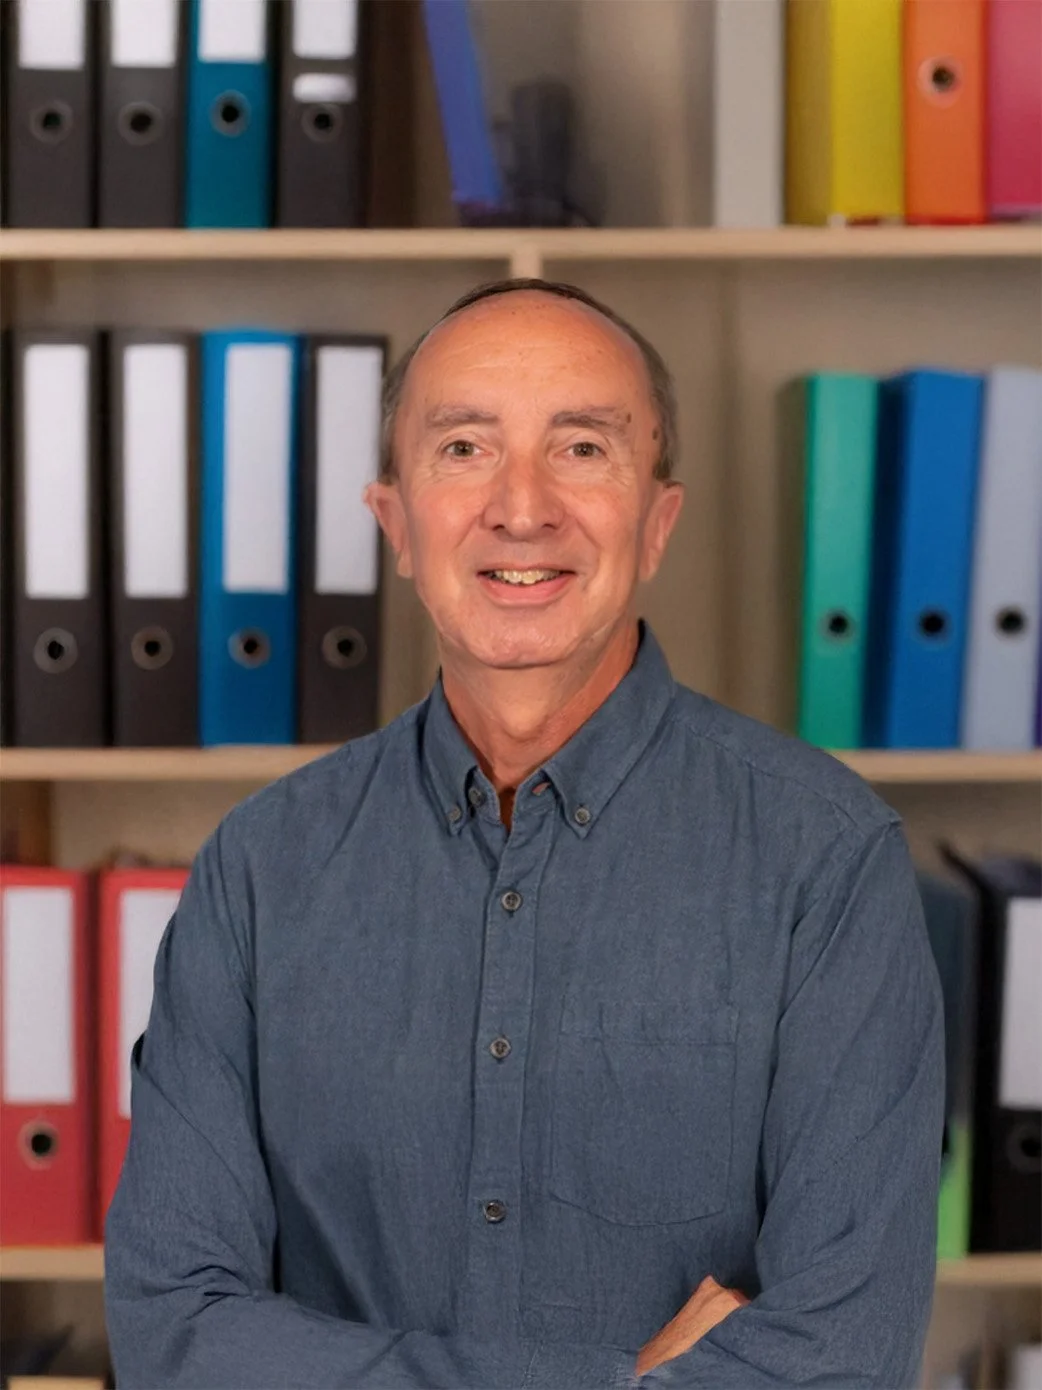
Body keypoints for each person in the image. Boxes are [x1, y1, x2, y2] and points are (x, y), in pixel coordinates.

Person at [105, 279, 944, 1389]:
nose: (521, 507)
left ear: (656, 522)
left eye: (583, 449)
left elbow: (844, 1357)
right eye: (462, 448)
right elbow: (173, 1330)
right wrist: (611, 1380)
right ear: (395, 522)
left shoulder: (827, 865)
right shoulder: (257, 873)